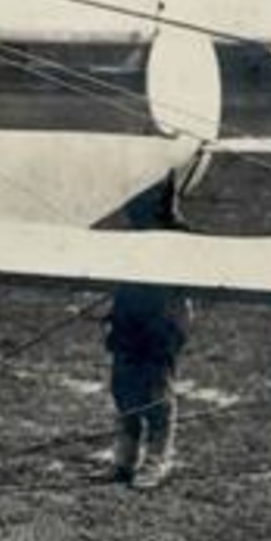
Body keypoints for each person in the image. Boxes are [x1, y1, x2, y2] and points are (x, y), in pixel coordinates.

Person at [105, 178, 193, 489]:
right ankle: (125, 460)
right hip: (130, 314)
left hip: (162, 320)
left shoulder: (179, 239)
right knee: (123, 387)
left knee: (156, 392)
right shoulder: (135, 237)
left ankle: (158, 459)